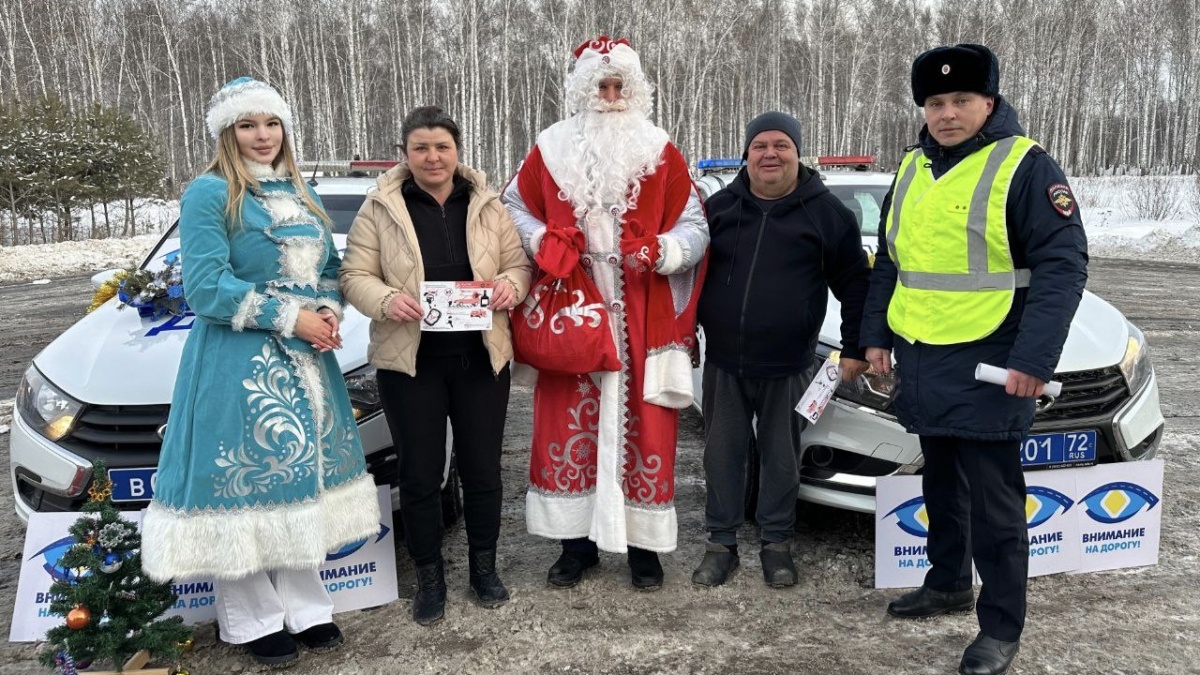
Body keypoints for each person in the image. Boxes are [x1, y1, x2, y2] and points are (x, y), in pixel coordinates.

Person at [860, 44, 1088, 675]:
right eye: (936, 102)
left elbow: (1063, 267)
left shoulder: (1027, 166)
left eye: (962, 100)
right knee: (940, 481)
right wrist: (875, 335)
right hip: (924, 356)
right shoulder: (910, 166)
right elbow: (893, 263)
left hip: (994, 361)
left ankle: (1001, 628)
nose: (948, 113)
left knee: (995, 502)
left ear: (990, 102)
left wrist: (1034, 360)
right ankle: (948, 582)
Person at [141, 77, 381, 668]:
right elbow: (203, 286)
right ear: (228, 132)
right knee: (245, 479)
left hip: (307, 359)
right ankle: (249, 616)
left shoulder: (302, 190)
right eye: (248, 125)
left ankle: (306, 605)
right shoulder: (208, 192)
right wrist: (288, 316)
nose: (262, 136)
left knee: (303, 477)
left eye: (270, 123)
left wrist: (326, 308)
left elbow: (327, 265)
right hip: (238, 358)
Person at [502, 36, 709, 590]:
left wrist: (663, 251)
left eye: (619, 86)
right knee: (567, 419)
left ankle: (644, 549)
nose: (610, 96)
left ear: (634, 90)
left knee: (648, 426)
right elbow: (513, 206)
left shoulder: (661, 149)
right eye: (601, 86)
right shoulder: (548, 147)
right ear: (582, 90)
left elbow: (695, 225)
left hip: (642, 311)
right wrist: (545, 238)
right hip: (572, 304)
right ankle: (576, 545)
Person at [339, 106, 531, 626]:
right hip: (411, 363)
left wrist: (512, 285)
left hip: (479, 360)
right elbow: (354, 272)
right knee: (421, 475)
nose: (432, 157)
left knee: (483, 471)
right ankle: (430, 576)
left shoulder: (488, 203)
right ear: (406, 154)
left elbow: (517, 262)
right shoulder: (381, 206)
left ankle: (484, 569)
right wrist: (383, 299)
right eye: (421, 147)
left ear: (457, 151)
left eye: (442, 147)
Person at [691, 112, 871, 588]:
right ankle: (720, 543)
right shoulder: (721, 209)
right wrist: (684, 331)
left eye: (781, 145)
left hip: (789, 364)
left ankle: (777, 544)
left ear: (797, 152)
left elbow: (855, 284)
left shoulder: (826, 213)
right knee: (722, 455)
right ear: (746, 155)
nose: (770, 154)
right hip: (725, 363)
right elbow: (690, 278)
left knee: (781, 457)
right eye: (760, 146)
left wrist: (855, 346)